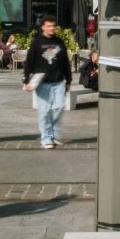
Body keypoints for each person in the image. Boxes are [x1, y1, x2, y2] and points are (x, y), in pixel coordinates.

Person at [22, 15, 73, 148]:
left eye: (53, 26)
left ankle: (54, 134)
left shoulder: (59, 42)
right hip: (42, 83)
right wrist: (26, 80)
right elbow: (29, 62)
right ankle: (46, 138)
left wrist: (69, 80)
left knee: (59, 107)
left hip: (58, 81)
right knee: (44, 111)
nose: (52, 28)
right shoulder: (37, 42)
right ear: (43, 27)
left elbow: (65, 62)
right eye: (49, 26)